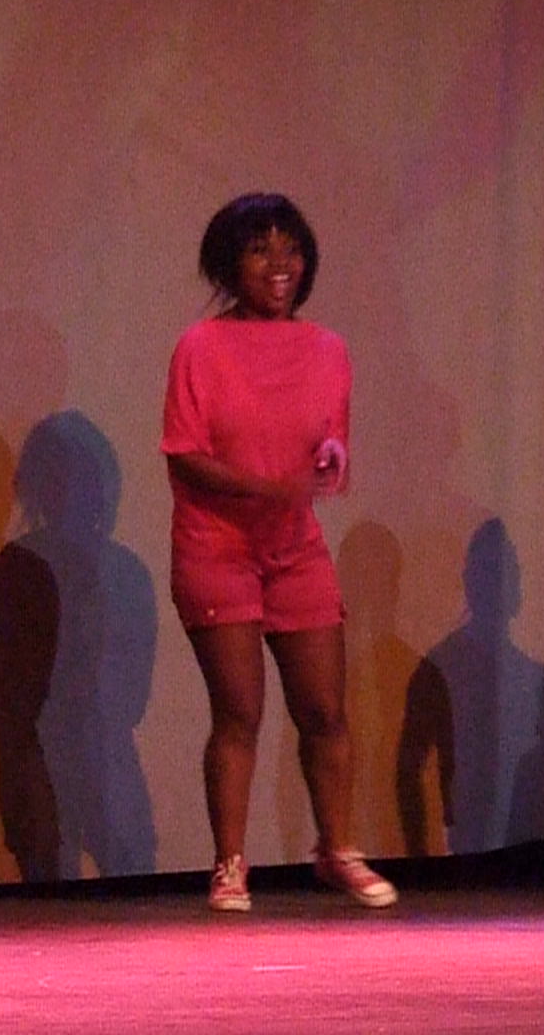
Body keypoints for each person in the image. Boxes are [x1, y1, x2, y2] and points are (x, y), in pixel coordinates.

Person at [163, 193, 396, 913]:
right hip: (217, 547)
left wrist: (331, 455)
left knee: (325, 709)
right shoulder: (201, 346)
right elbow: (185, 455)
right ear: (230, 263)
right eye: (260, 249)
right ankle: (230, 864)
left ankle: (337, 849)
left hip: (294, 546)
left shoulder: (327, 348)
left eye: (291, 249)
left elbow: (330, 443)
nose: (279, 264)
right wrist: (269, 487)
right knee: (239, 712)